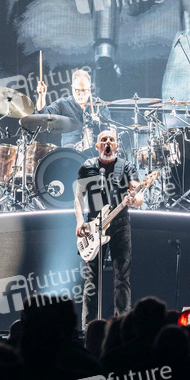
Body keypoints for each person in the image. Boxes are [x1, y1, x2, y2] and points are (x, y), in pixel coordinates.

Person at [75, 128, 142, 327]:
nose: (107, 143)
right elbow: (78, 198)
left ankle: (122, 326)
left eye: (111, 140)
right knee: (91, 279)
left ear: (116, 146)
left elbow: (138, 194)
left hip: (120, 224)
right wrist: (79, 221)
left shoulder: (126, 167)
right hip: (93, 226)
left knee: (122, 277)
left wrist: (134, 200)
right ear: (97, 146)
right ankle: (89, 327)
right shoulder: (87, 167)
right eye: (103, 140)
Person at [36, 69, 112, 150]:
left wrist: (99, 123)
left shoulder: (100, 106)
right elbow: (44, 115)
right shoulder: (63, 104)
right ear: (72, 88)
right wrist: (41, 96)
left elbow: (110, 132)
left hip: (95, 151)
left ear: (89, 89)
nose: (81, 94)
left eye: (84, 90)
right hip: (70, 152)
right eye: (77, 90)